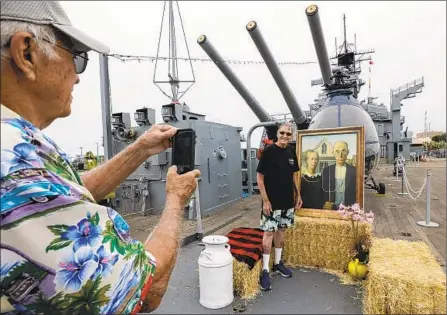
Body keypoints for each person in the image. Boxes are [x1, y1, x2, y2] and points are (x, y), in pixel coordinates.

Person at [0, 2, 200, 314]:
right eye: (77, 59)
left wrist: (141, 148)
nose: (78, 78)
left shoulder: (18, 149)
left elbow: (66, 195)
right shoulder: (12, 159)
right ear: (26, 52)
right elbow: (145, 288)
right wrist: (176, 199)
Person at [256, 123, 302, 291]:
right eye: (282, 132)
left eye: (288, 133)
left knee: (281, 232)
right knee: (268, 234)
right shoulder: (268, 152)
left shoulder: (290, 151)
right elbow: (260, 178)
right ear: (277, 133)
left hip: (287, 202)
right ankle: (265, 270)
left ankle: (277, 263)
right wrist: (266, 201)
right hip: (272, 202)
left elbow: (293, 175)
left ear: (291, 136)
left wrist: (298, 195)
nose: (285, 136)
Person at [321, 141, 357, 210]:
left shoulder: (354, 171)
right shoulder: (326, 171)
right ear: (333, 153)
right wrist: (324, 204)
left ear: (348, 152)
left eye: (343, 151)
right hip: (331, 210)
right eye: (337, 151)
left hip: (348, 210)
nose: (340, 155)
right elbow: (321, 192)